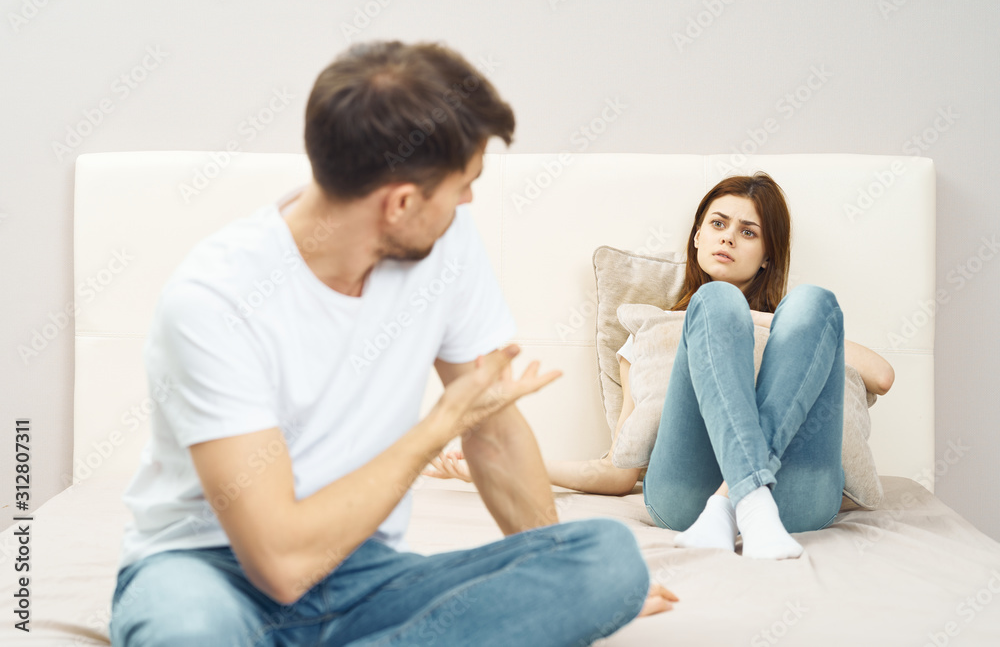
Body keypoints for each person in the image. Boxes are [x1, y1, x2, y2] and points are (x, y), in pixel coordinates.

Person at [109, 40, 677, 647]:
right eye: (463, 185)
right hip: (205, 574)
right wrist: (433, 430)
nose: (468, 202)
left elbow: (491, 427)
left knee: (608, 558)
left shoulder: (445, 247)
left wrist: (554, 571)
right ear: (402, 203)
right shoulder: (216, 298)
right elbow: (280, 563)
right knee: (189, 635)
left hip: (366, 580)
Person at [426, 172, 896, 560]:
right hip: (684, 494)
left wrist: (767, 328)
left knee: (815, 301)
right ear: (697, 236)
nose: (728, 237)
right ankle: (745, 501)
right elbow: (616, 470)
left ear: (766, 257)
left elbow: (881, 375)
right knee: (715, 301)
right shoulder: (651, 334)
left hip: (795, 498)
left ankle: (734, 501)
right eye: (718, 223)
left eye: (748, 232)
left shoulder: (795, 329)